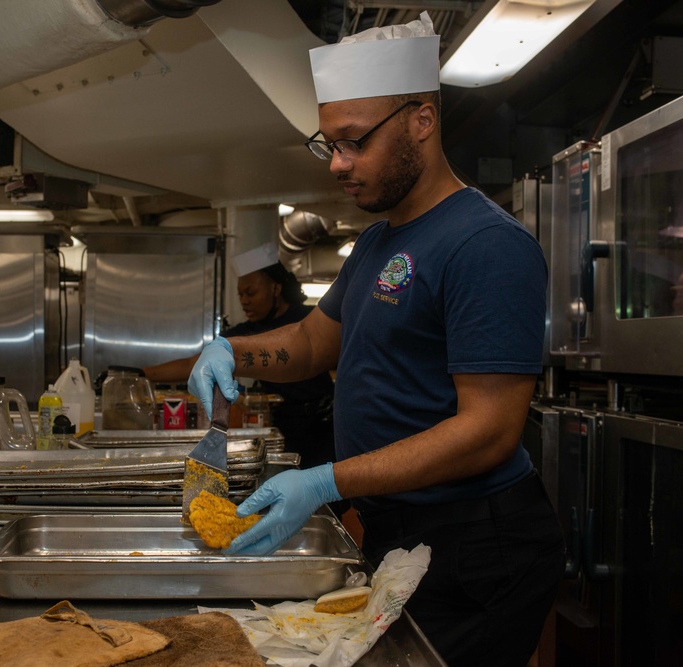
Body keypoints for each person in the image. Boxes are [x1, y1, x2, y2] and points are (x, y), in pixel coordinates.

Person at [186, 14, 563, 667]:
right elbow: (310, 345)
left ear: (421, 119)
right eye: (327, 143)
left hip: (474, 543)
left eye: (354, 141)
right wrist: (227, 350)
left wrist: (324, 481)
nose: (337, 163)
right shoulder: (376, 243)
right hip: (398, 529)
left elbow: (490, 429)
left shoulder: (485, 245)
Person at [144, 244, 345, 490]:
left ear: (276, 288)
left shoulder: (310, 320)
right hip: (281, 426)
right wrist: (143, 374)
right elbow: (191, 363)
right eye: (240, 295)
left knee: (328, 496)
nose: (244, 301)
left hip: (324, 425)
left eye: (250, 292)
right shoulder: (244, 333)